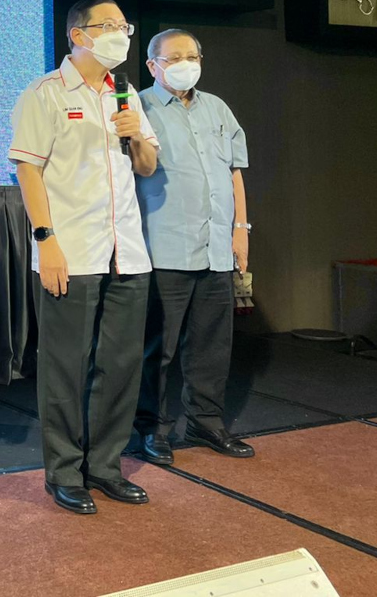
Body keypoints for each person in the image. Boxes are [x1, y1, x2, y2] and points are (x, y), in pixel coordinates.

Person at [9, 0, 158, 515]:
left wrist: (136, 133)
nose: (121, 33)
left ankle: (106, 466)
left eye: (125, 25)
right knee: (66, 367)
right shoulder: (46, 93)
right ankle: (65, 472)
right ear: (79, 34)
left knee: (119, 366)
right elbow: (28, 169)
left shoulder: (127, 93)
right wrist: (45, 239)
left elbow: (146, 166)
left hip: (128, 252)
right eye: (110, 25)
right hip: (70, 251)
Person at [134, 28, 255, 465]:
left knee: (211, 343)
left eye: (192, 56)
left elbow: (234, 172)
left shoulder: (218, 108)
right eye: (173, 57)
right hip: (163, 246)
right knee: (157, 347)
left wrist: (240, 228)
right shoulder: (139, 106)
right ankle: (150, 428)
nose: (185, 63)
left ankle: (206, 421)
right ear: (153, 66)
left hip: (215, 247)